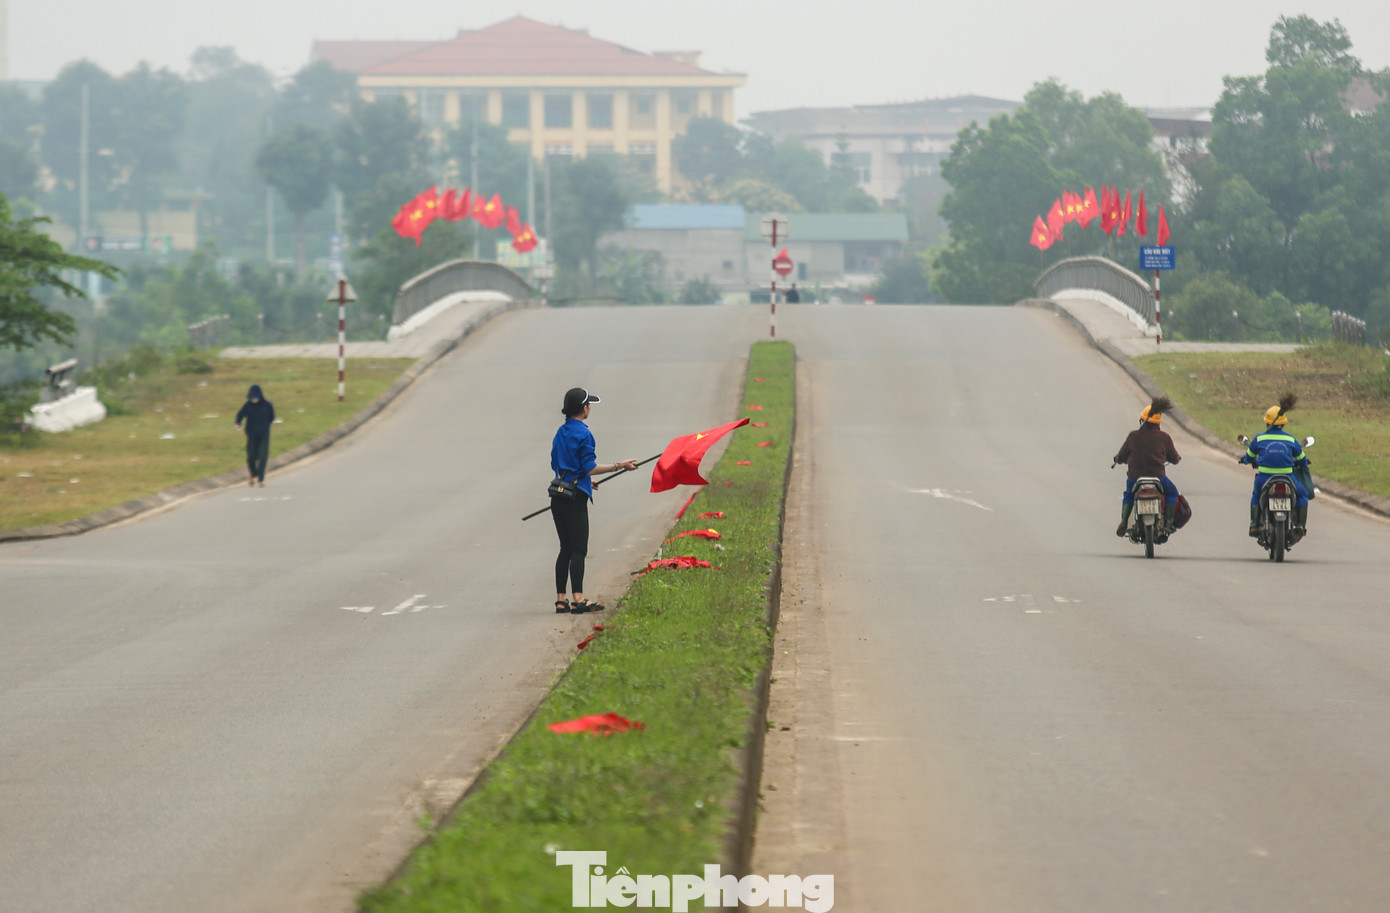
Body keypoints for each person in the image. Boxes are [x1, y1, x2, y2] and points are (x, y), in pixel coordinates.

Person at [550, 387, 639, 614]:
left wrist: (585, 481)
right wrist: (620, 465)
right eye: (589, 404)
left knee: (565, 549)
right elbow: (589, 467)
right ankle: (578, 600)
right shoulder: (585, 434)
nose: (590, 408)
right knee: (579, 549)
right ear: (584, 408)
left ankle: (561, 600)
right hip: (575, 498)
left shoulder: (561, 432)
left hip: (559, 494)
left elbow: (556, 464)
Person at [1240, 393, 1309, 536]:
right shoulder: (1291, 440)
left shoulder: (1259, 439)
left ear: (1267, 422)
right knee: (1302, 495)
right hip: (1288, 479)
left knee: (1256, 494)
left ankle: (1254, 524)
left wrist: (1246, 460)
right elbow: (1302, 459)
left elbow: (1249, 456)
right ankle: (1300, 526)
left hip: (1264, 479)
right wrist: (1304, 463)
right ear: (1283, 423)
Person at [1112, 396, 1182, 536]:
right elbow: (1174, 458)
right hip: (1159, 478)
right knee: (1172, 493)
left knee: (1129, 495)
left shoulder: (1133, 436)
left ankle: (1123, 522)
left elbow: (1122, 454)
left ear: (1142, 420)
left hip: (1134, 478)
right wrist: (1176, 459)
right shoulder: (1165, 437)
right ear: (1158, 423)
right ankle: (1167, 524)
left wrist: (1118, 459)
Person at [234, 384, 275, 488]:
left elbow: (272, 417)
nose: (254, 399)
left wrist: (265, 425)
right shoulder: (248, 405)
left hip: (264, 434)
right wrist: (238, 423)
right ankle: (253, 473)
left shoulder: (267, 405)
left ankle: (261, 479)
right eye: (252, 397)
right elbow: (240, 414)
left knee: (263, 456)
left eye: (255, 397)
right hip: (251, 434)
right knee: (251, 457)